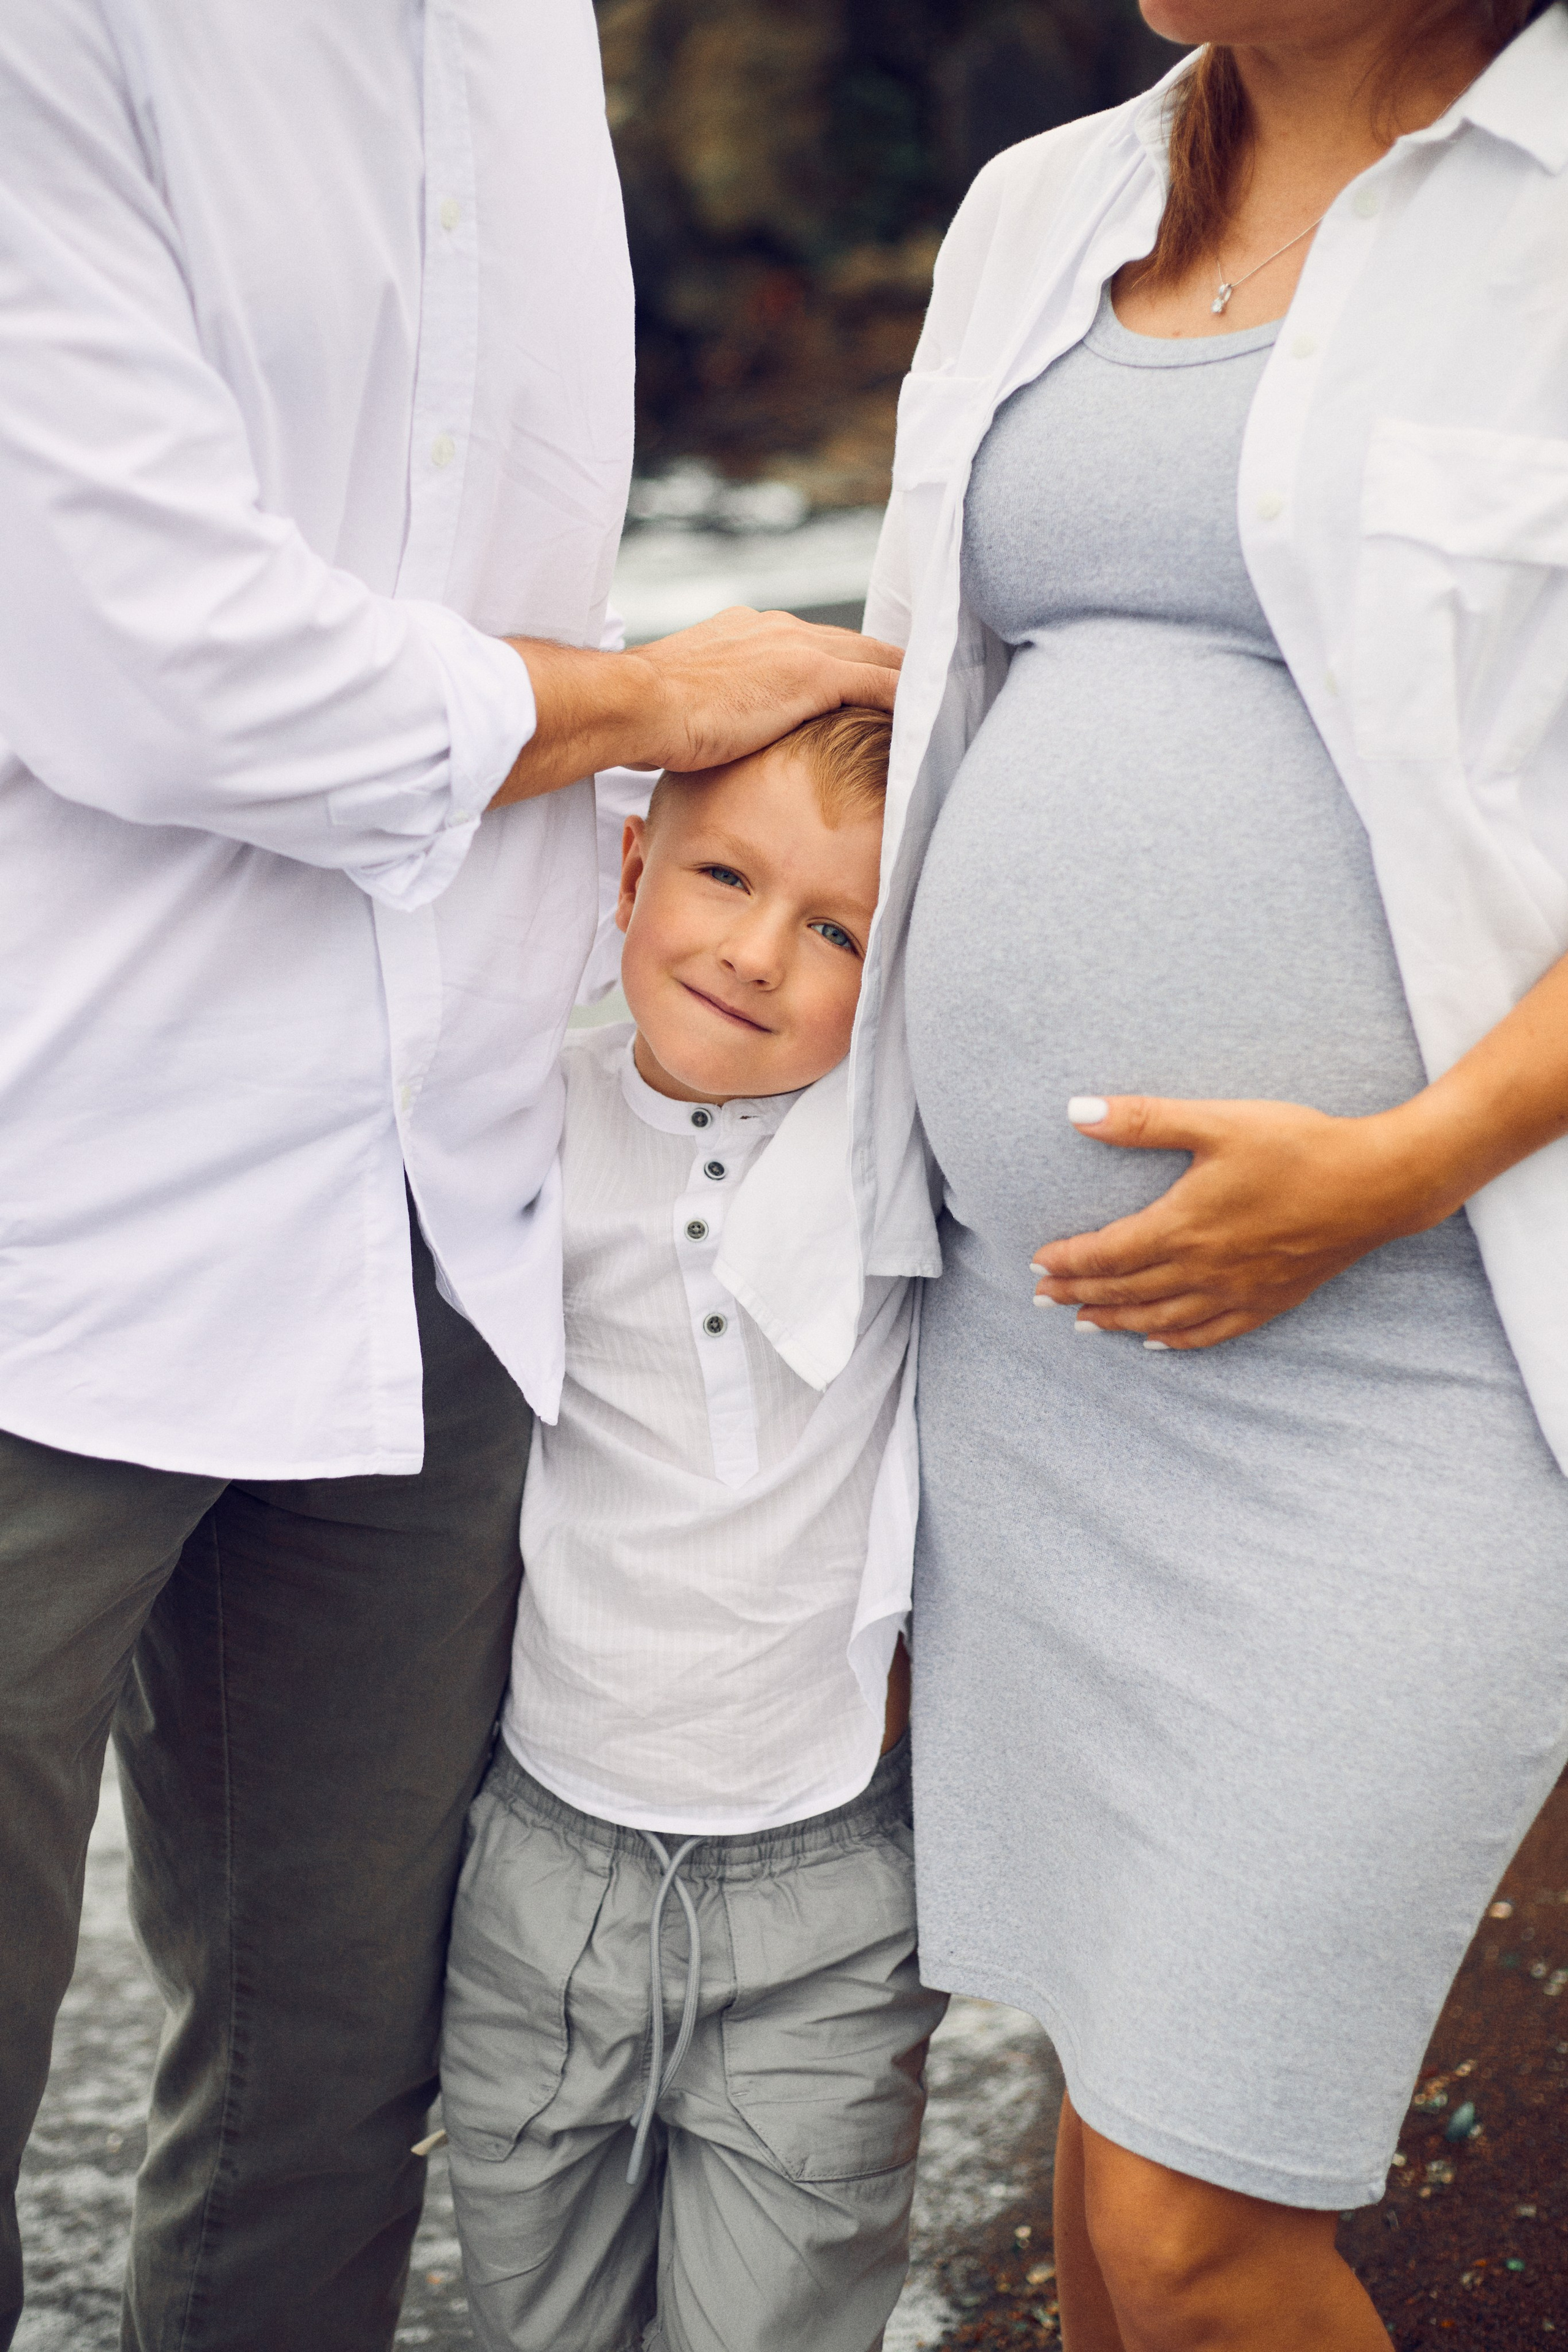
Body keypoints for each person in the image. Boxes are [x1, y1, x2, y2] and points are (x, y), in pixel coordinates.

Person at [0, 6, 901, 2345]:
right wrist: (646, 700)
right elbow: (152, 661)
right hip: (52, 1215)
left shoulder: (523, 42)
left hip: (454, 1224)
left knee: (328, 2103)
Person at [840, 0, 1568, 2345]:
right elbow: (930, 694)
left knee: (1195, 2211)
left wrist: (1408, 1158)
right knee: (1112, 2130)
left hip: (1430, 1354)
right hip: (1027, 1363)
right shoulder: (1042, 201)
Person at [438, 710, 946, 2352]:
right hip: (542, 1868)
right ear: (631, 863)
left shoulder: (896, 1155)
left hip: (830, 1883)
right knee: (540, 2322)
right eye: (721, 876)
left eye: (836, 929)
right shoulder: (519, 1118)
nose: (751, 953)